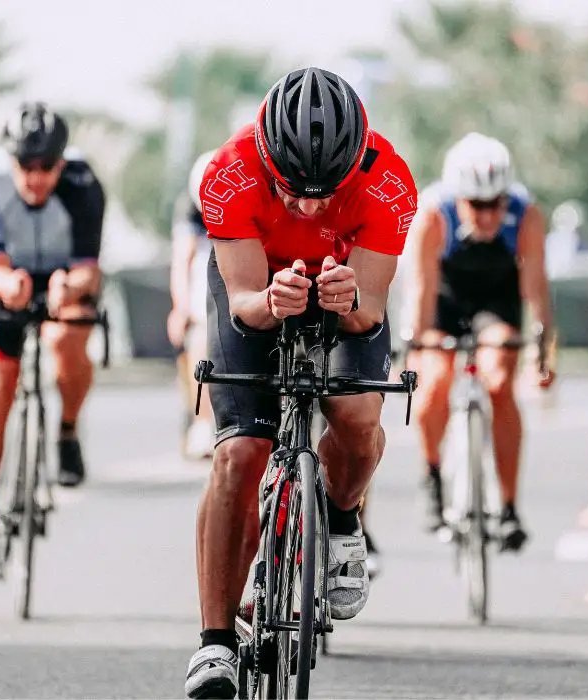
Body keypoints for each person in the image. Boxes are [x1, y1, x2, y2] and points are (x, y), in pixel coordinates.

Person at [184, 67, 417, 699]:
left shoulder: (389, 182)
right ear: (266, 158)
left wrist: (349, 300)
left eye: (327, 192)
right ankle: (215, 645)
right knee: (238, 454)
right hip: (262, 288)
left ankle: (343, 522)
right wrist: (271, 298)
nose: (312, 206)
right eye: (294, 190)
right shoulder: (229, 174)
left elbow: (370, 308)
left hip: (345, 289)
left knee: (358, 416)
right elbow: (242, 303)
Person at [0, 102, 106, 577]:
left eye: (47, 167)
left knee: (69, 337)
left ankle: (66, 429)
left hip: (64, 279)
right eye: (25, 165)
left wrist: (70, 287)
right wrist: (10, 288)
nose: (36, 177)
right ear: (10, 159)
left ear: (62, 162)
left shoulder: (83, 185)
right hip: (5, 280)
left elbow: (90, 269)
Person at [403, 132, 554, 552]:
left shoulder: (526, 216)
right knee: (434, 379)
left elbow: (536, 289)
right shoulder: (434, 214)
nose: (488, 216)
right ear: (458, 198)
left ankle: (507, 508)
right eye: (477, 205)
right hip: (446, 302)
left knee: (500, 380)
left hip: (496, 302)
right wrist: (413, 349)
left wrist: (542, 354)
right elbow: (421, 288)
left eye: (496, 204)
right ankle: (431, 475)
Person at [169, 149, 218, 460]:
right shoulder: (189, 208)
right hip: (203, 286)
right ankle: (201, 421)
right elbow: (181, 260)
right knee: (199, 338)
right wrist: (181, 308)